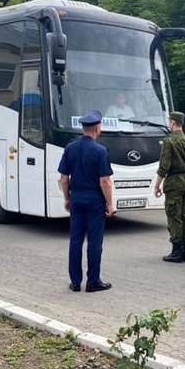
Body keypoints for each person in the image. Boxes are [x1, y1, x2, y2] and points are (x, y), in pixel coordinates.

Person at [58, 110, 115, 293]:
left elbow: (64, 178)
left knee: (75, 241)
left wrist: (67, 198)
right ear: (97, 128)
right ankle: (93, 281)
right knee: (94, 242)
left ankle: (75, 282)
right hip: (95, 201)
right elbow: (105, 181)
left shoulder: (70, 148)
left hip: (77, 199)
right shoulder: (100, 151)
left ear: (83, 128)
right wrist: (109, 204)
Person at [155, 111, 185, 263]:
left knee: (174, 216)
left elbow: (164, 166)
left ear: (173, 123)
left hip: (174, 182)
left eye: (169, 122)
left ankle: (177, 251)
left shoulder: (169, 141)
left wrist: (157, 185)